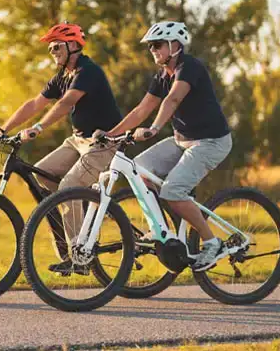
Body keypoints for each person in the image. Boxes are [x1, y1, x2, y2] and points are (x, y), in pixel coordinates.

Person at [96, 21, 232, 272]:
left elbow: (173, 99)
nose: (153, 50)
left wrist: (155, 128)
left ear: (175, 45)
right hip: (182, 141)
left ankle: (212, 242)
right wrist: (110, 134)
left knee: (172, 190)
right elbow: (141, 110)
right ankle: (161, 230)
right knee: (139, 170)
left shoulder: (189, 67)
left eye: (157, 45)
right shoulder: (161, 76)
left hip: (211, 142)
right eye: (150, 47)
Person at [0, 22, 123, 275]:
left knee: (68, 187)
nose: (52, 52)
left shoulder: (88, 71)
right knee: (41, 174)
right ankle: (78, 224)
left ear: (73, 45)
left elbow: (66, 103)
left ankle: (80, 254)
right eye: (50, 49)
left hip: (103, 143)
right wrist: (3, 129)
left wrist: (38, 129)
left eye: (56, 47)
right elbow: (34, 103)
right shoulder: (61, 76)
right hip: (77, 140)